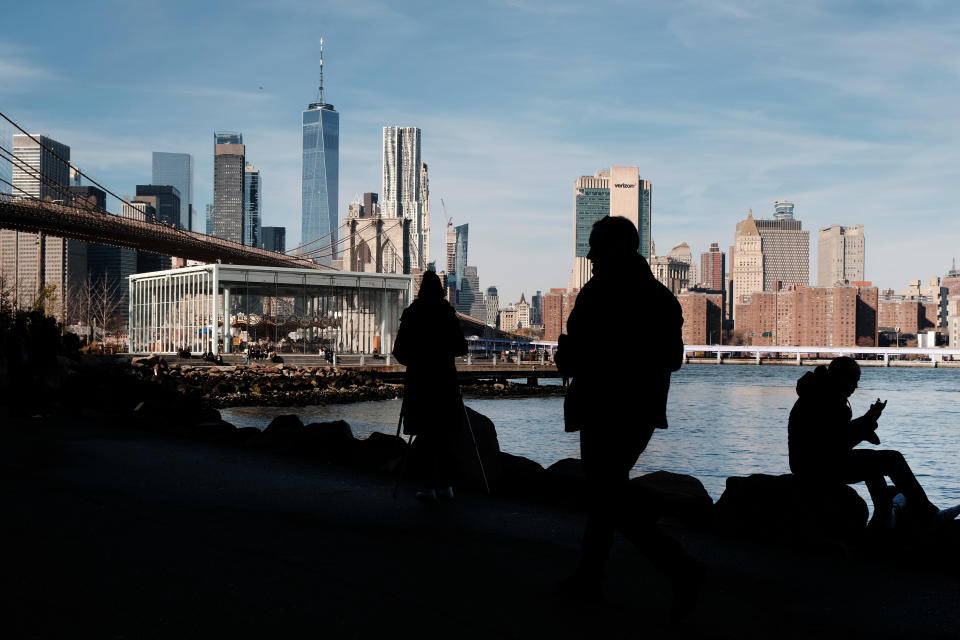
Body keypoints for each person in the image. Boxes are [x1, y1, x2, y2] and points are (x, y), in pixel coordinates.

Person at [554, 215, 703, 617]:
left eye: (596, 246)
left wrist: (585, 355)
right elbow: (670, 358)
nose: (590, 254)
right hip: (630, 408)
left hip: (614, 407)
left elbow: (666, 358)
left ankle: (678, 567)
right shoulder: (654, 298)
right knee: (607, 494)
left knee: (607, 494)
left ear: (619, 246)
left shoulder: (618, 295)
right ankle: (593, 577)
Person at [788, 356, 958, 527]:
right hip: (817, 465)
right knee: (892, 459)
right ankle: (927, 514)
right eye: (853, 381)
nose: (855, 387)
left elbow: (834, 439)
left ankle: (884, 514)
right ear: (840, 377)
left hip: (809, 462)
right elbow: (837, 444)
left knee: (873, 463)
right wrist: (867, 422)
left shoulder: (819, 393)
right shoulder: (827, 400)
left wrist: (867, 422)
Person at [392, 270, 468, 502]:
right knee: (445, 433)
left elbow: (399, 351)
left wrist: (415, 364)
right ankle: (446, 485)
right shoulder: (448, 313)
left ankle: (428, 487)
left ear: (420, 289)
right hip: (445, 381)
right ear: (441, 291)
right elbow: (461, 348)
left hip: (420, 382)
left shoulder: (412, 313)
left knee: (424, 434)